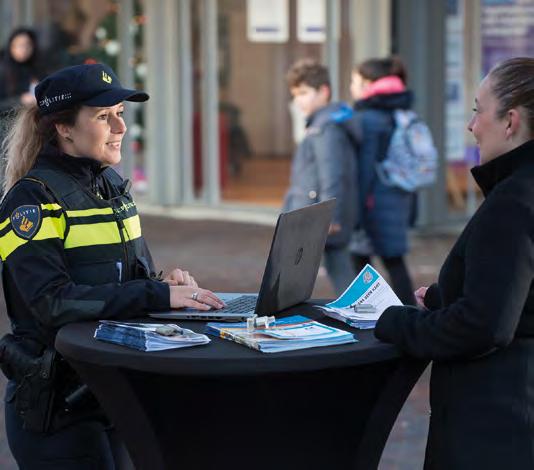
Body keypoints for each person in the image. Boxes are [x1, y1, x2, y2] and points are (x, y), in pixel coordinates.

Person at [0, 62, 224, 469]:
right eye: (103, 117)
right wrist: (154, 293)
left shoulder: (111, 187)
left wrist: (164, 284)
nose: (119, 127)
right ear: (64, 128)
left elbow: (119, 283)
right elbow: (52, 304)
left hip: (111, 393)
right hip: (57, 410)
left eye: (120, 113)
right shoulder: (30, 201)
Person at [375, 57, 534, 469]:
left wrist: (396, 321)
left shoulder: (514, 201)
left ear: (510, 121)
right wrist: (449, 296)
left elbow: (485, 325)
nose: (472, 125)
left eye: (479, 110)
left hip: (497, 427)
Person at [283, 58, 356, 295]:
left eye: (303, 93)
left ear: (323, 91)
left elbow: (331, 172)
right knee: (337, 268)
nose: (298, 100)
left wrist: (330, 215)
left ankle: (363, 316)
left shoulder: (325, 128)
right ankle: (362, 312)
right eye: (295, 94)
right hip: (313, 212)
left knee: (292, 277)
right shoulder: (322, 124)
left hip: (314, 215)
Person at [349, 56, 415, 304]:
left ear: (368, 84)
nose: (351, 87)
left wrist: (355, 211)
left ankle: (374, 308)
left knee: (360, 259)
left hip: (374, 202)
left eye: (354, 81)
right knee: (393, 260)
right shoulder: (400, 112)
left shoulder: (369, 118)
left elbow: (365, 170)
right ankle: (401, 309)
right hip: (396, 198)